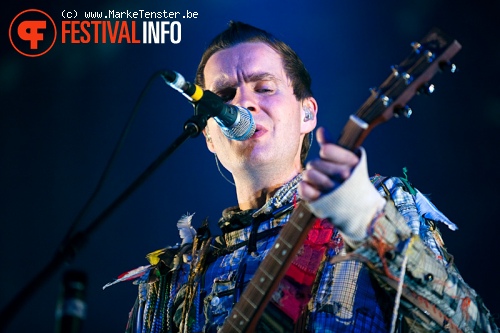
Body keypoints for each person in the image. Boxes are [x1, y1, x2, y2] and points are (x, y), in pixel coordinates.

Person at [110, 21, 498, 332]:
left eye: (265, 87)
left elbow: (473, 327)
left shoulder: (381, 203)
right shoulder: (169, 279)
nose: (243, 102)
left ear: (307, 115)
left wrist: (368, 220)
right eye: (224, 96)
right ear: (210, 136)